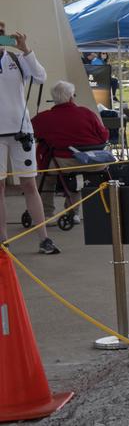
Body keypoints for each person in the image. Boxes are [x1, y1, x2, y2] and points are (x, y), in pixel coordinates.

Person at [0, 23, 58, 253]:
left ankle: (44, 237)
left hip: (21, 131)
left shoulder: (16, 59)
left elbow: (41, 76)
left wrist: (25, 49)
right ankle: (2, 239)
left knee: (29, 184)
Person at [30, 80, 108, 229]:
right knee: (74, 174)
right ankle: (74, 212)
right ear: (72, 97)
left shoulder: (45, 117)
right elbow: (104, 136)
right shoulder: (87, 113)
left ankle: (46, 213)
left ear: (54, 98)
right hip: (93, 162)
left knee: (44, 175)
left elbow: (31, 131)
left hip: (63, 161)